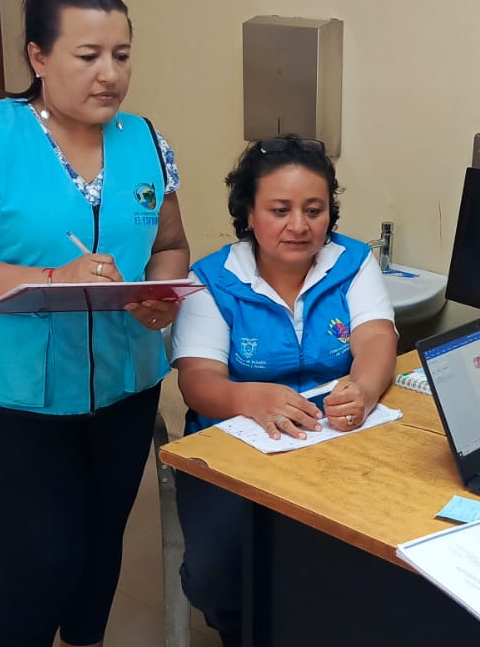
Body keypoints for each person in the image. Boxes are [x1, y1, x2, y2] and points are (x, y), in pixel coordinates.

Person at [0, 0, 189, 647]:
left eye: (121, 55)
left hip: (124, 387)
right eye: (87, 55)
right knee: (40, 564)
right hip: (15, 400)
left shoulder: (146, 141)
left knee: (99, 550)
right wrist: (51, 278)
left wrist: (160, 294)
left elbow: (170, 245)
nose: (109, 74)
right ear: (38, 56)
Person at [169, 136, 398, 646]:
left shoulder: (352, 262)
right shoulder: (212, 280)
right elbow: (198, 381)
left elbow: (376, 338)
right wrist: (249, 398)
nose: (299, 225)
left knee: (369, 553)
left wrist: (363, 389)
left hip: (335, 440)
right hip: (236, 449)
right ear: (249, 214)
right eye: (280, 210)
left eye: (314, 210)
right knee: (218, 577)